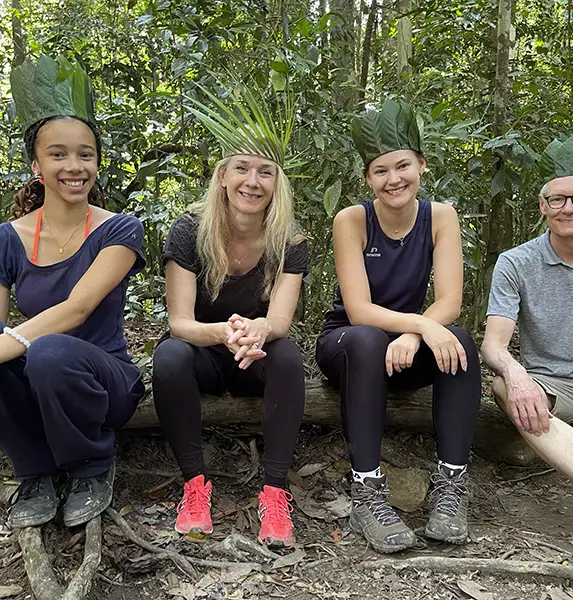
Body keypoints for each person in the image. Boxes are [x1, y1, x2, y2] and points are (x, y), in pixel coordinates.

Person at [316, 99, 481, 553]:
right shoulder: (351, 219)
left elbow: (449, 300)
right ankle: (367, 490)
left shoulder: (440, 216)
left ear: (421, 165)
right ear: (368, 178)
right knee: (368, 338)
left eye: (403, 166)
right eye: (381, 171)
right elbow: (359, 310)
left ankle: (451, 485)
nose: (394, 179)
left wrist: (415, 332)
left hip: (405, 347)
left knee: (461, 340)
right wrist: (418, 327)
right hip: (349, 344)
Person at [152, 85, 308, 548]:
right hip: (204, 352)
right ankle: (195, 487)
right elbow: (179, 322)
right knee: (169, 356)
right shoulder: (188, 230)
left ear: (278, 182)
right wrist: (224, 332)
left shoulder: (291, 242)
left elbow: (280, 320)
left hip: (252, 357)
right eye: (242, 168)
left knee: (288, 355)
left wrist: (259, 327)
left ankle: (275, 492)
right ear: (222, 175)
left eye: (265, 172)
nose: (252, 182)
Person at [1, 55, 145, 529]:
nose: (74, 166)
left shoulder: (120, 230)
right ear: (36, 163)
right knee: (20, 359)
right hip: (39, 376)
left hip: (107, 380)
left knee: (47, 352)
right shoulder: (7, 237)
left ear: (98, 162)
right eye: (58, 154)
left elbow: (78, 308)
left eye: (85, 154)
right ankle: (36, 472)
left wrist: (13, 342)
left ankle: (91, 468)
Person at [482, 134, 573, 503]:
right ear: (542, 206)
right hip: (553, 387)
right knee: (503, 387)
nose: (569, 208)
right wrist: (516, 375)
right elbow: (493, 346)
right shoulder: (517, 262)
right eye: (557, 199)